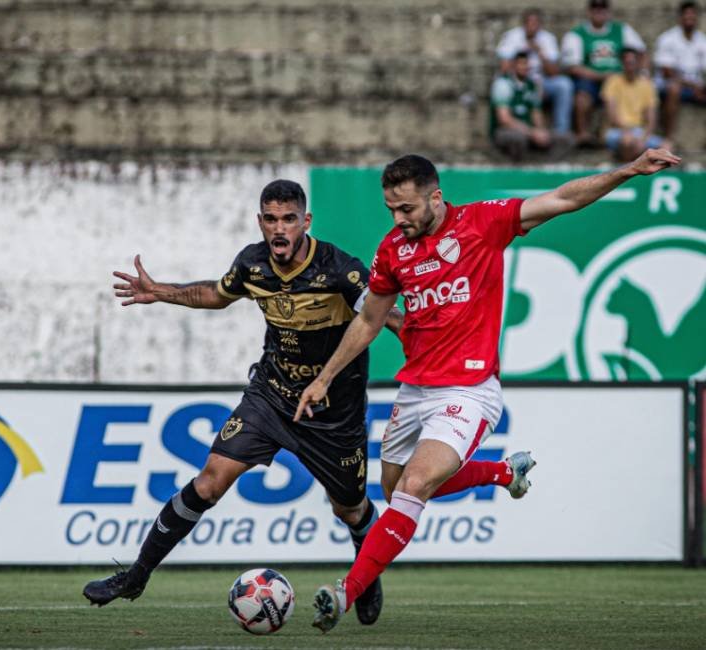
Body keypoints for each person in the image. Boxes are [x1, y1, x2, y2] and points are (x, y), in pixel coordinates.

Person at [85, 179, 534, 626]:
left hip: (332, 413)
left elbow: (379, 313)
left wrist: (420, 332)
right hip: (272, 397)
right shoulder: (252, 264)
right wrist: (161, 291)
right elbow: (217, 296)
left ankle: (367, 573)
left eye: (288, 219)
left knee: (352, 509)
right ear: (260, 221)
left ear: (306, 221)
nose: (279, 229)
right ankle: (137, 575)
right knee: (209, 481)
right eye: (271, 219)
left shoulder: (339, 268)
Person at [296, 148, 680, 633]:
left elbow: (562, 199)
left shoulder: (483, 224)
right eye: (391, 209)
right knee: (397, 490)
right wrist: (325, 377)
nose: (398, 218)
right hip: (415, 388)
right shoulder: (393, 249)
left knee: (414, 487)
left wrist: (628, 170)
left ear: (436, 198)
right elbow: (370, 318)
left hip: (471, 387)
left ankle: (345, 593)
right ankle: (503, 472)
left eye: (407, 208)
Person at [562, 0, 647, 144]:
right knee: (582, 98)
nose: (599, 10)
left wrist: (643, 73)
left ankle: (619, 135)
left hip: (620, 79)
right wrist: (603, 76)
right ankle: (583, 135)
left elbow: (641, 53)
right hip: (589, 81)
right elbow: (573, 67)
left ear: (608, 11)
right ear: (589, 11)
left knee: (628, 89)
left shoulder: (622, 30)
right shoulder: (576, 34)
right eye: (595, 7)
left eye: (603, 7)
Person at [495, 8, 574, 135]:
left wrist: (539, 52)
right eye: (529, 22)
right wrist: (521, 53)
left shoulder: (548, 39)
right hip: (518, 82)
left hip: (540, 81)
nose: (532, 26)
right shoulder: (512, 36)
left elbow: (554, 72)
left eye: (535, 23)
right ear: (523, 23)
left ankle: (561, 131)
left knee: (564, 84)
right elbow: (504, 69)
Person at [491, 51, 573, 160]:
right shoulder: (503, 84)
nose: (524, 67)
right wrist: (531, 133)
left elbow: (536, 113)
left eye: (526, 64)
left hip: (529, 130)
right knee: (518, 139)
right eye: (521, 63)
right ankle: (514, 165)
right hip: (507, 131)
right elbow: (505, 120)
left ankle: (547, 165)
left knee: (566, 138)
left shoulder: (533, 85)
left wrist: (541, 131)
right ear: (513, 65)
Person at [602, 48, 668, 161]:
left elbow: (651, 119)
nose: (630, 66)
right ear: (622, 64)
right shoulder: (613, 82)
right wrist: (629, 133)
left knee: (667, 147)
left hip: (639, 131)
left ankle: (654, 177)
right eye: (627, 63)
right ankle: (628, 173)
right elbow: (612, 117)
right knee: (628, 141)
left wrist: (643, 138)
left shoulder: (647, 85)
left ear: (638, 63)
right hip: (617, 131)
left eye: (632, 62)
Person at [654, 1, 706, 141]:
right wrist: (695, 86)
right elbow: (667, 72)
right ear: (680, 17)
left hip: (695, 87)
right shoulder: (667, 39)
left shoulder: (702, 40)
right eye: (687, 15)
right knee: (674, 89)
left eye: (693, 15)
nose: (690, 18)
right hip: (668, 86)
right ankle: (668, 138)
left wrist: (702, 87)